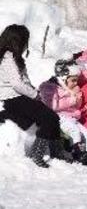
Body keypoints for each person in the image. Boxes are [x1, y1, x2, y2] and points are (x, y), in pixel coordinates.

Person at [0, 25, 63, 168]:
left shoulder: (13, 58)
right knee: (49, 118)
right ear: (17, 41)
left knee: (52, 117)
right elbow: (17, 84)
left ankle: (57, 151)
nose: (25, 45)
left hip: (19, 97)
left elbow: (24, 81)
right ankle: (37, 153)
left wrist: (34, 91)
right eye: (25, 41)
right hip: (14, 98)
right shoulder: (7, 58)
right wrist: (34, 95)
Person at [38, 58, 87, 170]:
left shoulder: (71, 88)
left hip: (71, 117)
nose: (76, 83)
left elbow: (76, 107)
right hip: (59, 118)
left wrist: (78, 97)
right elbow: (52, 106)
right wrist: (72, 99)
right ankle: (78, 155)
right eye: (73, 80)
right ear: (63, 78)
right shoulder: (50, 87)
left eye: (76, 80)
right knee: (75, 132)